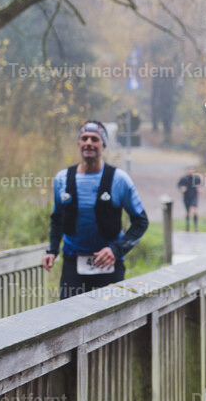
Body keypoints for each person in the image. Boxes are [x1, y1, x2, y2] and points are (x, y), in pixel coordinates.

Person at [41, 121, 149, 300]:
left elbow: (141, 222)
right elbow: (57, 218)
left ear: (103, 145)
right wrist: (52, 250)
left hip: (108, 265)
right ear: (79, 144)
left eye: (95, 139)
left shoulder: (119, 179)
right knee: (69, 320)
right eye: (84, 138)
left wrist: (116, 250)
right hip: (73, 263)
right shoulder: (62, 179)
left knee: (112, 322)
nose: (89, 143)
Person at [177, 166, 202, 231]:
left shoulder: (197, 178)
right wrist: (181, 188)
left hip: (194, 196)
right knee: (188, 212)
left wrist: (199, 189)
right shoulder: (183, 178)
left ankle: (196, 227)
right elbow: (179, 185)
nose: (191, 171)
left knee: (195, 211)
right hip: (186, 196)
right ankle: (187, 227)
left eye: (192, 170)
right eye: (190, 170)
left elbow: (200, 184)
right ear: (187, 171)